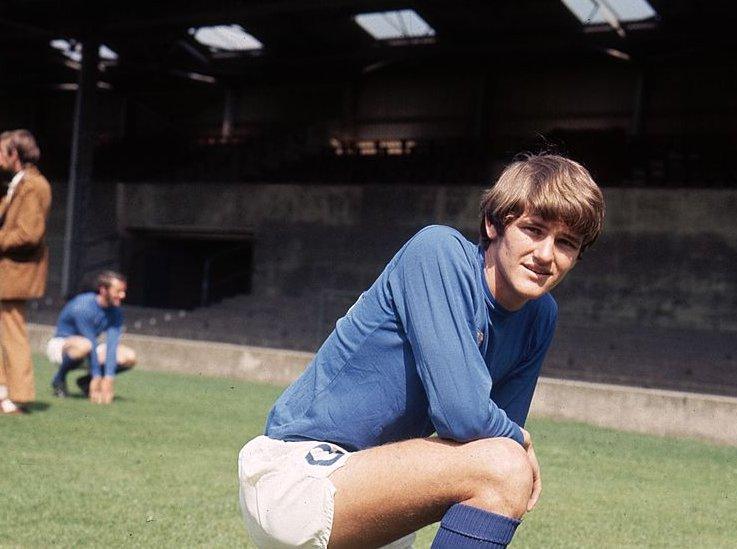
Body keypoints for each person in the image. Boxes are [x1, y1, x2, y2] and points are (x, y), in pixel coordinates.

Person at [238, 154, 605, 548]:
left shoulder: (540, 316)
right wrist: (518, 441)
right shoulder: (438, 252)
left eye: (566, 243)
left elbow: (488, 440)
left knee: (502, 461)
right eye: (533, 230)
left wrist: (513, 441)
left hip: (377, 491)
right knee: (505, 465)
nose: (547, 255)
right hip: (298, 475)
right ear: (494, 224)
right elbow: (462, 415)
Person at [0, 129, 52, 416]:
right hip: (7, 272)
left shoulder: (34, 186)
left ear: (14, 154)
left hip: (16, 274)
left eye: (0, 151)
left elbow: (28, 234)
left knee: (12, 334)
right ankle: (4, 394)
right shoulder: (19, 184)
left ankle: (18, 397)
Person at [48, 270, 137, 404]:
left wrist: (108, 378)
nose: (122, 295)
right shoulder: (83, 306)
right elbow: (89, 340)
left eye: (123, 291)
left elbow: (112, 344)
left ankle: (85, 382)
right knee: (85, 345)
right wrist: (97, 376)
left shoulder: (116, 311)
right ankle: (59, 378)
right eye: (118, 291)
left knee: (129, 357)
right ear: (103, 290)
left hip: (90, 346)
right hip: (62, 346)